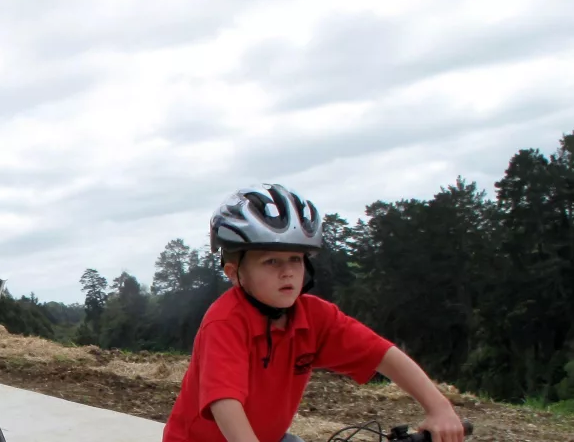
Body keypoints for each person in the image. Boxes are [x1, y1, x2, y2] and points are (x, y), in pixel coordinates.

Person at [162, 184, 467, 442]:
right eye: (271, 261)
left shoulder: (315, 317)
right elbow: (224, 402)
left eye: (295, 258)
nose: (288, 272)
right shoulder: (226, 321)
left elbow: (383, 354)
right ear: (235, 273)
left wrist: (439, 408)